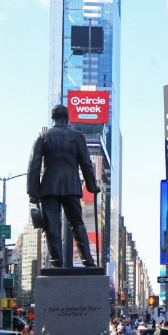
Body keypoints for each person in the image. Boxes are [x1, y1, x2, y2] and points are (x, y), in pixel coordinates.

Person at [27, 104, 100, 268]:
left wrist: (33, 191)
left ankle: (56, 263)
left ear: (53, 118)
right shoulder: (77, 136)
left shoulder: (42, 137)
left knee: (51, 225)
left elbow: (34, 165)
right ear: (67, 118)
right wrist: (91, 185)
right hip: (70, 187)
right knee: (77, 223)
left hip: (48, 188)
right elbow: (86, 163)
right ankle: (88, 261)